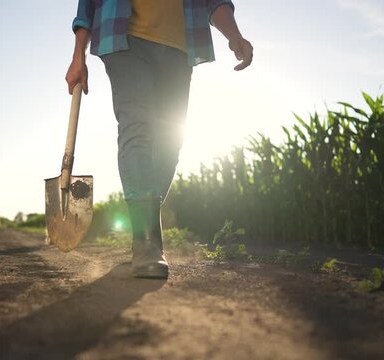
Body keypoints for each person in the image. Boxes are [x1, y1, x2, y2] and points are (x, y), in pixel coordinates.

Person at [66, 0, 253, 279]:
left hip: (179, 47)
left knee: (170, 142)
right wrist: (78, 55)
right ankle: (147, 243)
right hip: (125, 39)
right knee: (137, 126)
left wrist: (235, 36)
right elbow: (88, 5)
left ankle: (145, 225)